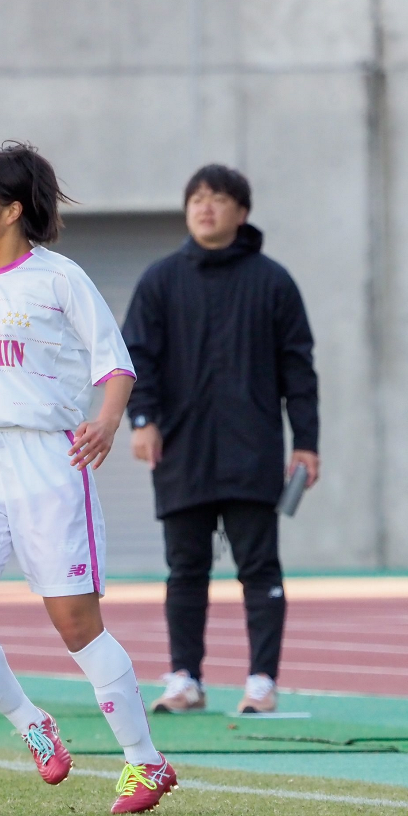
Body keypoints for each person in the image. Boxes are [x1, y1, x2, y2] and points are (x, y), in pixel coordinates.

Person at [0, 142, 177, 814]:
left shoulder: (60, 279)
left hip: (45, 462)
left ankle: (146, 762)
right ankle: (32, 723)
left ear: (12, 210)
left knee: (76, 625)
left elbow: (116, 364)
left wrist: (107, 421)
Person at [122, 164, 319, 715]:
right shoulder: (160, 281)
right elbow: (136, 358)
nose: (205, 207)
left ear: (242, 211)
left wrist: (306, 442)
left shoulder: (273, 282)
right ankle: (185, 678)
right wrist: (142, 420)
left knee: (260, 569)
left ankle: (262, 682)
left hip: (252, 451)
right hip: (180, 450)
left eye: (218, 198)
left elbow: (299, 370)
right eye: (197, 199)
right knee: (185, 570)